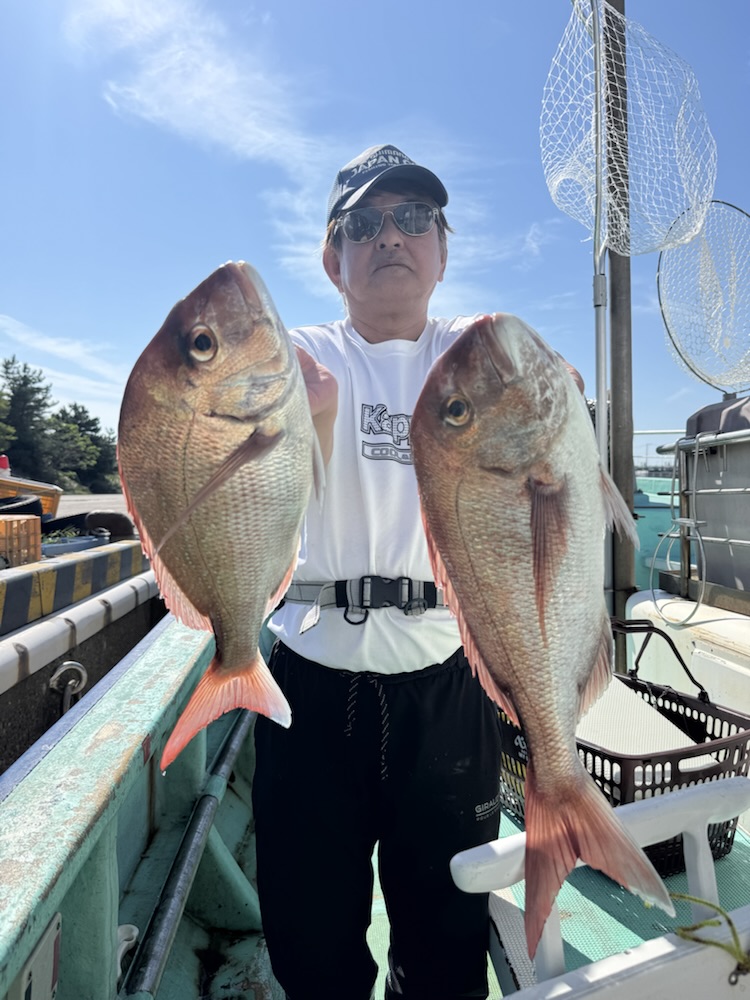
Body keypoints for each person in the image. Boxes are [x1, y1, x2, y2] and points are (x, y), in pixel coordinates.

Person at [252, 143, 577, 1000]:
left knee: (445, 951)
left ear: (442, 251)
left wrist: (557, 404)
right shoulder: (296, 355)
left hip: (449, 683)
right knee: (309, 946)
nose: (390, 235)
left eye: (413, 217)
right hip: (308, 687)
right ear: (334, 259)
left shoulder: (479, 361)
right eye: (362, 224)